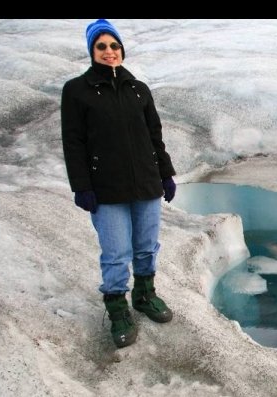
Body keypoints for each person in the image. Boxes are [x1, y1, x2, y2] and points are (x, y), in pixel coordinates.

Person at [61, 19, 176, 348]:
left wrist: (166, 174)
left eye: (114, 46)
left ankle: (144, 295)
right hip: (107, 189)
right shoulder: (77, 91)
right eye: (101, 46)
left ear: (122, 49)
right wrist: (81, 185)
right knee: (115, 254)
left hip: (146, 184)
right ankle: (117, 309)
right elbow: (74, 142)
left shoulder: (138, 89)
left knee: (146, 247)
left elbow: (155, 136)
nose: (109, 52)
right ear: (92, 51)